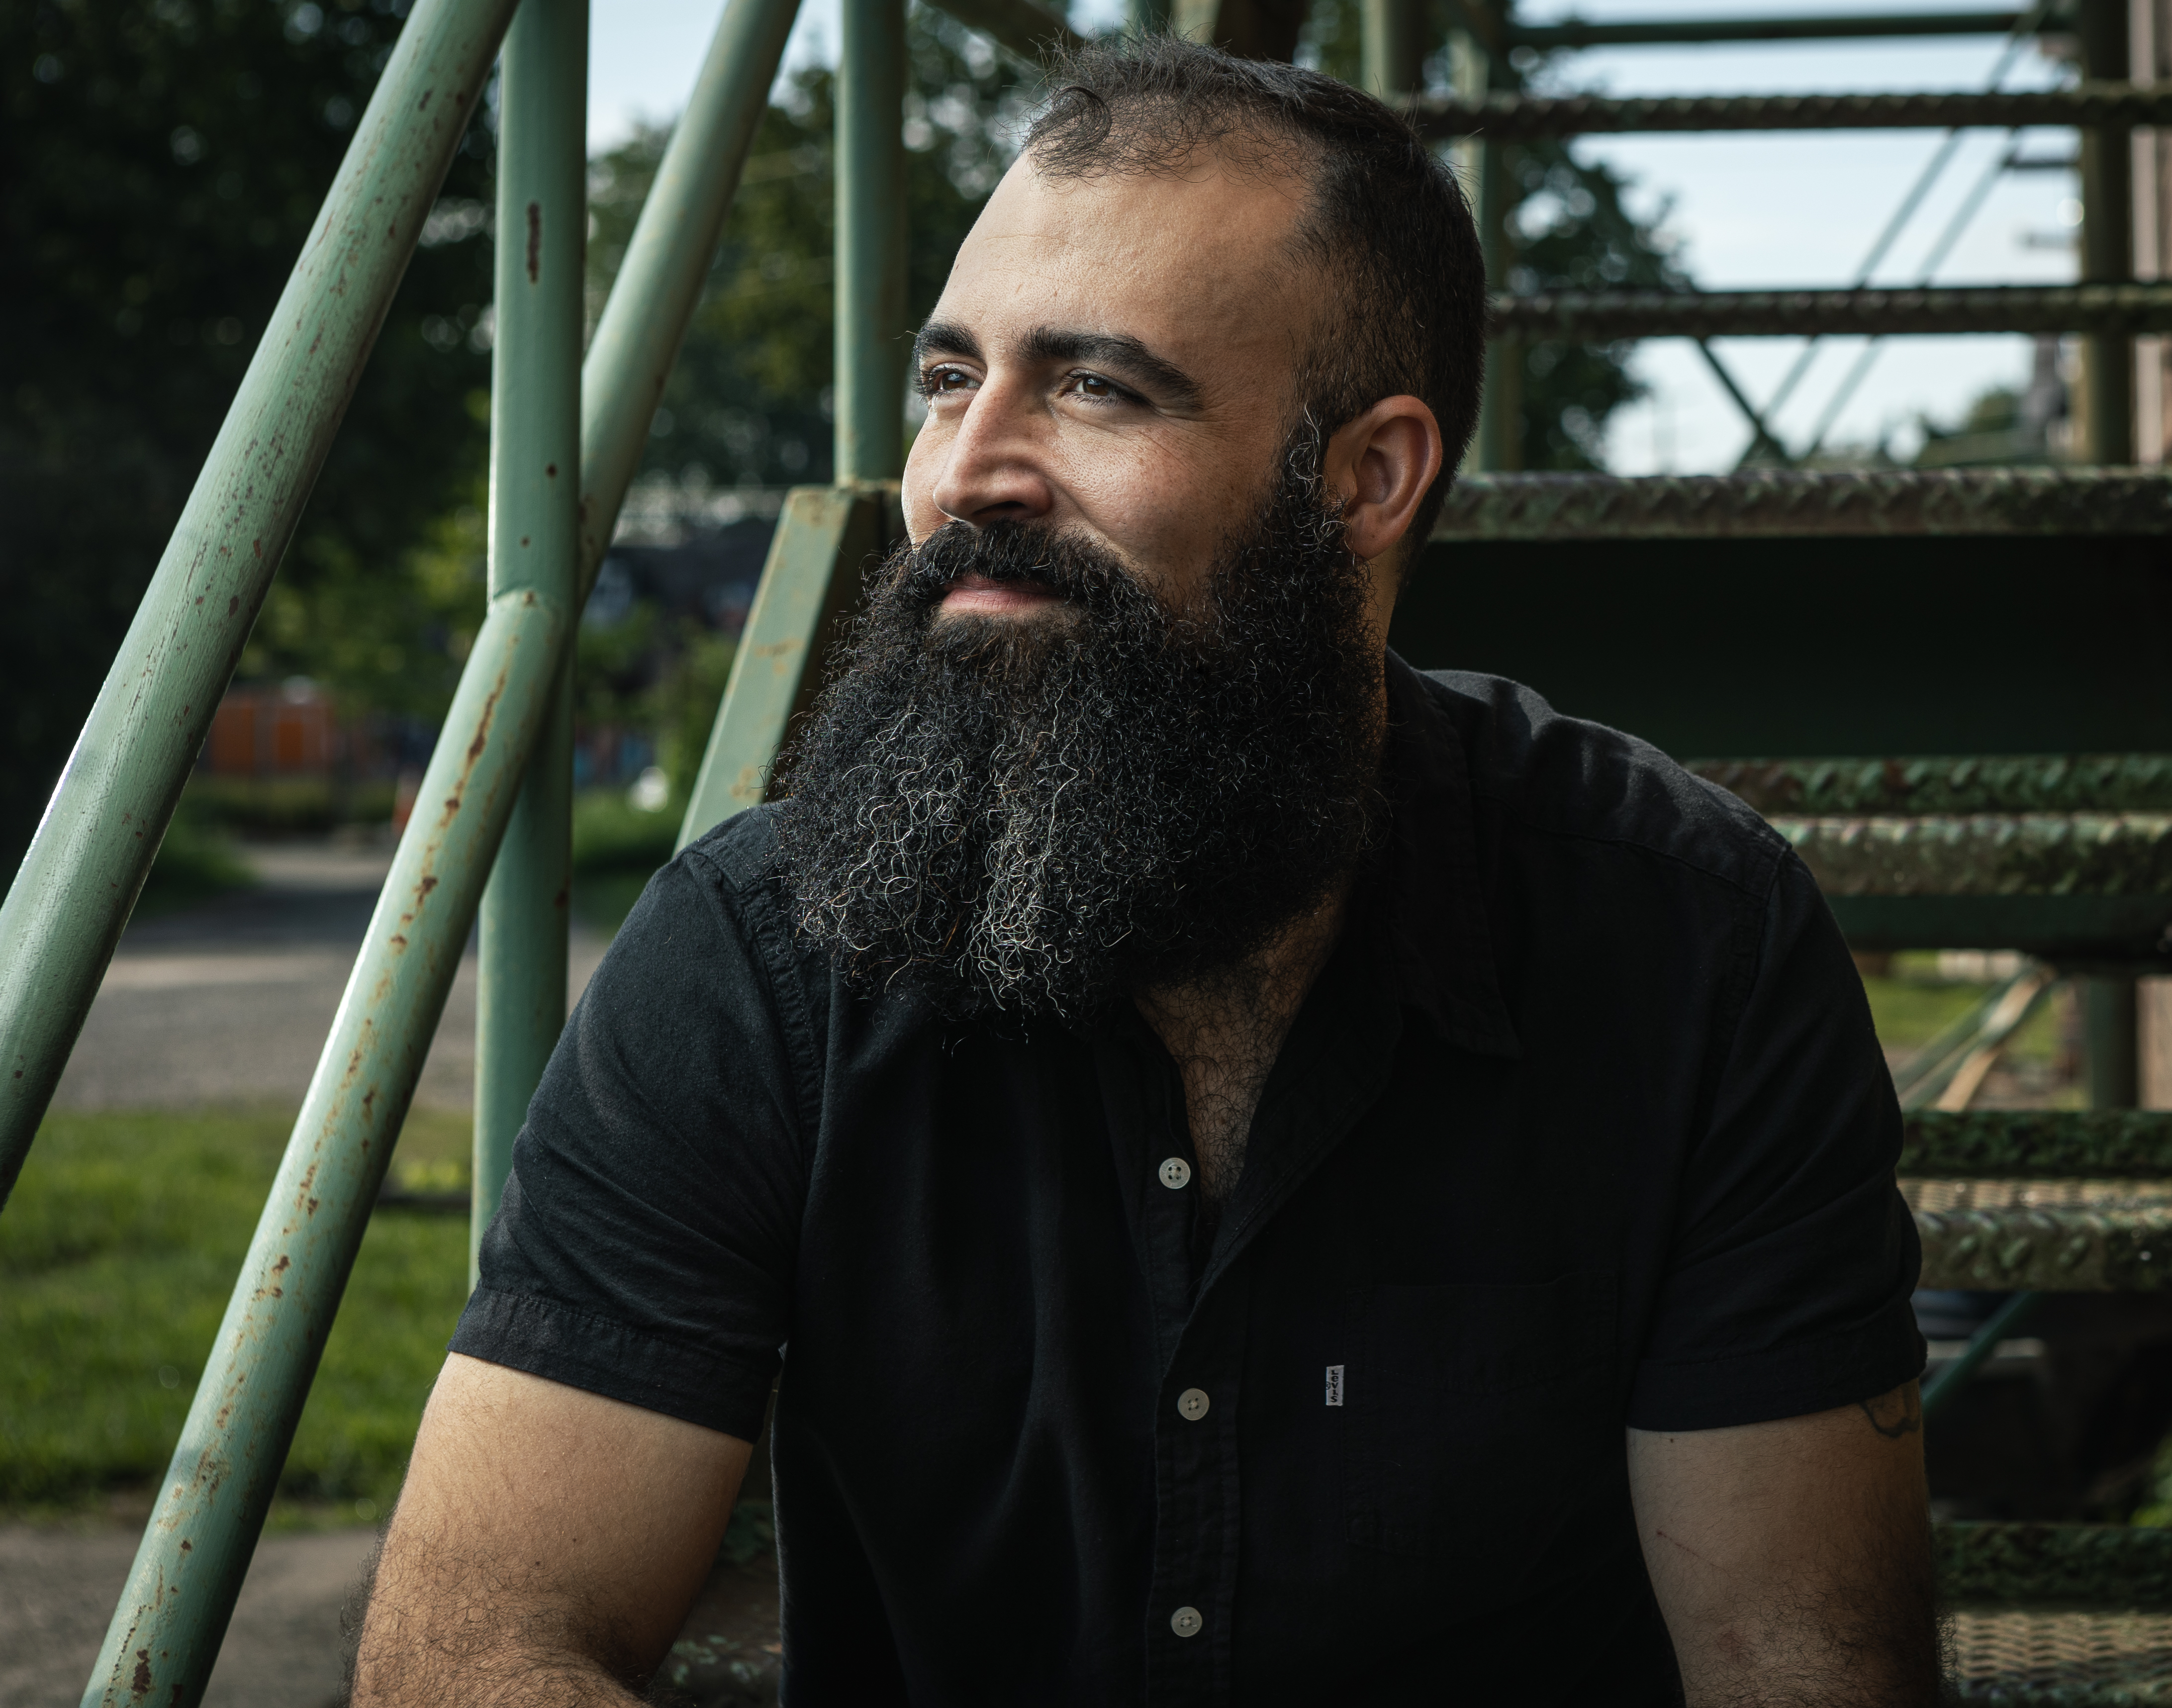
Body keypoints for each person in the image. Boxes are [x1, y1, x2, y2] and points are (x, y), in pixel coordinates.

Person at [353, 38, 1936, 1707]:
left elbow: (1803, 1667)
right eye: (951, 379)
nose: (966, 473)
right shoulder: (758, 954)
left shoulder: (1688, 950)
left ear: (1367, 476)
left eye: (1097, 387)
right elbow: (477, 1648)